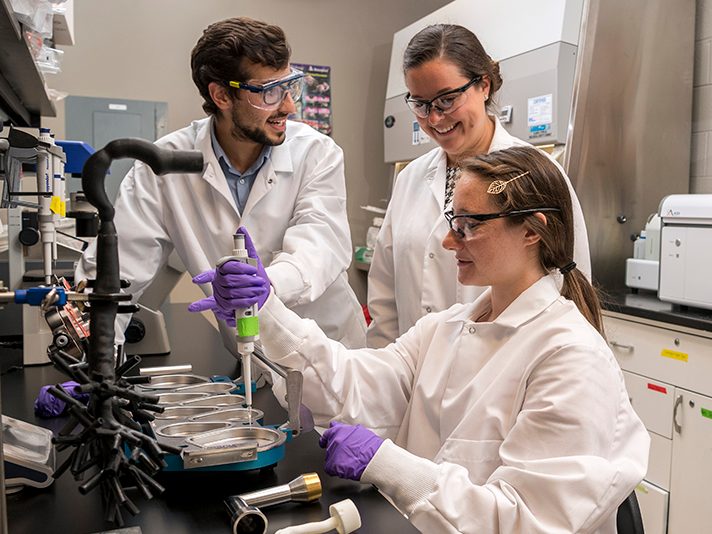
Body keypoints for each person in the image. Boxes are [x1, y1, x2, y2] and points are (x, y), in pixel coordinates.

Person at [197, 146, 649, 533]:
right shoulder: (448, 326)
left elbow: (525, 520)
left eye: (470, 225)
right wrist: (267, 309)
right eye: (454, 220)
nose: (450, 241)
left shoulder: (570, 357)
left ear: (532, 229)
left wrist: (387, 464)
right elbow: (354, 386)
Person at [75, 17, 365, 351]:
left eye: (290, 85)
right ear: (222, 96)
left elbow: (321, 244)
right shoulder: (162, 166)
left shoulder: (316, 152)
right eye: (269, 92)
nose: (288, 105)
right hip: (249, 357)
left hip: (328, 351)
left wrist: (267, 283)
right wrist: (93, 357)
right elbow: (118, 271)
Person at [367, 24, 591, 348]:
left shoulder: (534, 176)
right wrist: (383, 377)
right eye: (420, 104)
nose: (434, 119)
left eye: (446, 100)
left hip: (503, 377)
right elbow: (385, 298)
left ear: (483, 85)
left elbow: (569, 285)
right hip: (413, 380)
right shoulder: (411, 179)